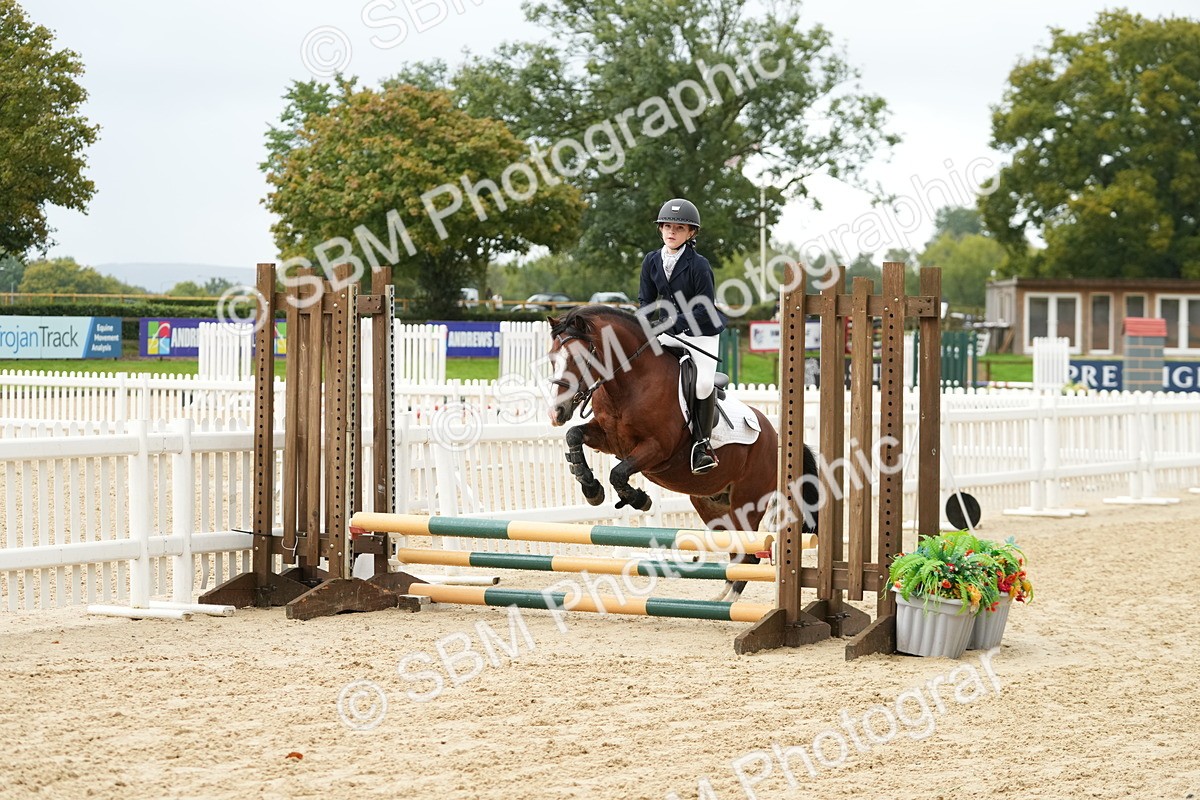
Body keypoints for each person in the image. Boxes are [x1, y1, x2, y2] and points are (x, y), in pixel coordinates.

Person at [638, 198, 726, 474]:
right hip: (670, 330)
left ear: (691, 233)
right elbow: (646, 302)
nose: (671, 232)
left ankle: (702, 445)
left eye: (679, 227)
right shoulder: (652, 260)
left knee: (701, 385)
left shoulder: (699, 265)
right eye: (667, 226)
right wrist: (642, 328)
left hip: (702, 332)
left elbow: (704, 309)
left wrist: (671, 323)